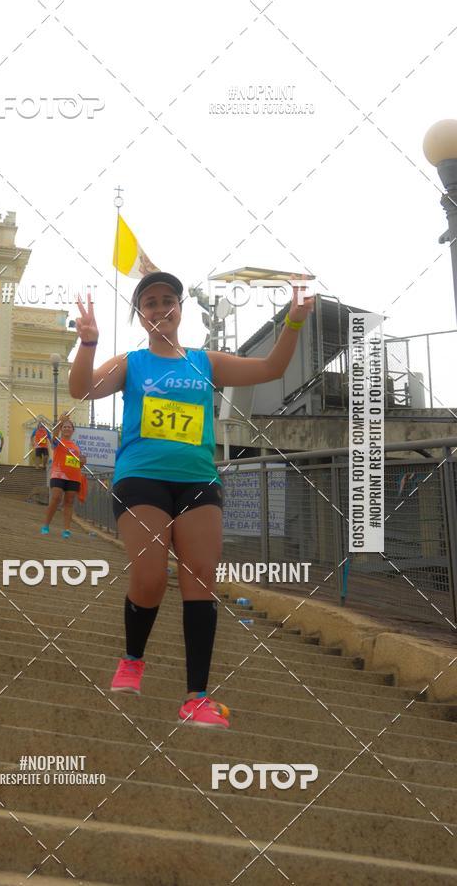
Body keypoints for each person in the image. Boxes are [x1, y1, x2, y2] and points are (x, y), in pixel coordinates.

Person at [69, 272, 314, 729]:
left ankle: (196, 698)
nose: (160, 308)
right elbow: (80, 389)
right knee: (149, 578)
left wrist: (295, 323)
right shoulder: (132, 363)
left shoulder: (205, 361)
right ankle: (132, 660)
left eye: (167, 300)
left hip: (199, 481)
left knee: (200, 579)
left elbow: (270, 370)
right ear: (140, 316)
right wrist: (88, 344)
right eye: (149, 303)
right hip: (141, 477)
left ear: (180, 308)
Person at [41, 413, 87, 538]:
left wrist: (82, 462)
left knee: (69, 501)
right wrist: (60, 422)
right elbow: (53, 436)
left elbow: (78, 463)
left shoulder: (77, 446)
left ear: (73, 430)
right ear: (62, 429)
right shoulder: (58, 441)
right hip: (58, 474)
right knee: (56, 497)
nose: (67, 428)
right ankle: (46, 525)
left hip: (74, 477)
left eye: (69, 427)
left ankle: (66, 529)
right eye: (65, 427)